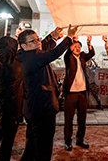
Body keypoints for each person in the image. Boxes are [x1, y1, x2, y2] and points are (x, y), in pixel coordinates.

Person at [18, 26, 77, 161]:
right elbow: (53, 53)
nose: (37, 43)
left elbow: (44, 47)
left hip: (36, 109)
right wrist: (68, 38)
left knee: (33, 146)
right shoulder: (33, 58)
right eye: (33, 41)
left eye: (37, 39)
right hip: (41, 110)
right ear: (23, 46)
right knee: (43, 149)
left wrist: (53, 36)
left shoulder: (27, 55)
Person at [63, 35, 95, 151]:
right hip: (70, 92)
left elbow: (91, 54)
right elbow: (67, 53)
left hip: (82, 92)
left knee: (82, 118)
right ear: (71, 48)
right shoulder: (68, 57)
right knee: (69, 118)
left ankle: (80, 139)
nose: (77, 48)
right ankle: (68, 141)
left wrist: (89, 43)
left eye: (79, 46)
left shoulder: (82, 56)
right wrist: (72, 41)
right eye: (75, 46)